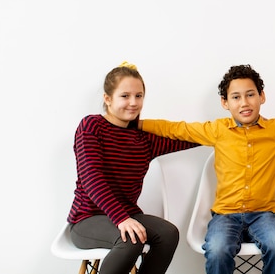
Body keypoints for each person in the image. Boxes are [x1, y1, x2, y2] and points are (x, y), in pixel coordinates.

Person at [138, 64, 275, 274]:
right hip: (225, 215)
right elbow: (177, 129)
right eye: (236, 97)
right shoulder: (218, 130)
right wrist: (137, 122)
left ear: (262, 96)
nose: (244, 102)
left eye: (250, 94)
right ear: (225, 102)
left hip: (264, 215)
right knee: (218, 250)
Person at [67, 62, 199, 274]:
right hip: (88, 219)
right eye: (125, 96)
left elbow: (189, 138)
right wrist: (121, 218)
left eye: (139, 96)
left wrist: (224, 131)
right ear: (107, 99)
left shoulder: (143, 139)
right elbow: (92, 179)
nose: (133, 102)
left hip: (127, 216)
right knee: (130, 240)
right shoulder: (91, 127)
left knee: (168, 233)